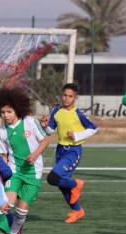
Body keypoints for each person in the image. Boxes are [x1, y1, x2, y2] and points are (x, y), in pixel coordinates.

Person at [0, 87, 49, 234]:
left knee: (21, 212)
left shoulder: (29, 122)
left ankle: (14, 232)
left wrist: (35, 155)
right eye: (2, 112)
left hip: (33, 173)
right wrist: (2, 175)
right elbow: (4, 156)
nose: (6, 115)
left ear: (17, 110)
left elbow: (45, 141)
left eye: (9, 111)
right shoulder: (2, 131)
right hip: (14, 172)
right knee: (6, 205)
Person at [41, 83, 97, 224]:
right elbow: (50, 131)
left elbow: (93, 129)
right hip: (60, 150)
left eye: (70, 96)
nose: (66, 98)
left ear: (75, 98)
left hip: (73, 151)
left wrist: (77, 136)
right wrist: (44, 126)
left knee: (53, 178)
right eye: (65, 95)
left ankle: (76, 184)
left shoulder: (78, 114)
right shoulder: (56, 111)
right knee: (61, 184)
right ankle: (77, 210)